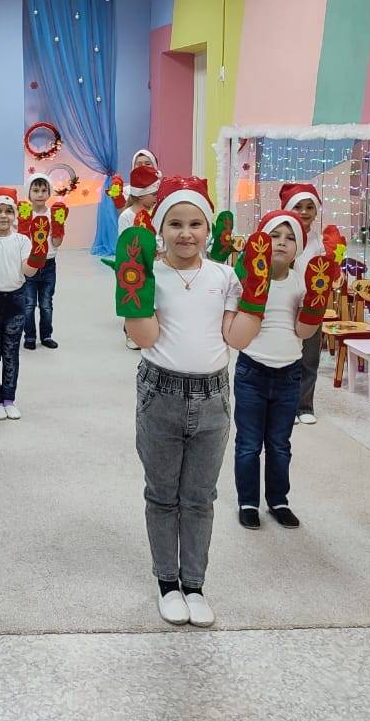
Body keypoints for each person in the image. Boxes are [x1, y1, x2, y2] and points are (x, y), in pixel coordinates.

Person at [118, 176, 267, 628]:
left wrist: (256, 296)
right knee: (162, 494)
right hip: (159, 393)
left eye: (195, 224)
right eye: (175, 224)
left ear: (208, 229)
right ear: (160, 229)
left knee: (200, 497)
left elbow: (236, 338)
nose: (186, 233)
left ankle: (195, 584)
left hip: (212, 398)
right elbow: (144, 336)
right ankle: (168, 582)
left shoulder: (223, 276)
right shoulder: (151, 274)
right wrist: (133, 290)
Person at [233, 210, 335, 531]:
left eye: (290, 238)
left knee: (279, 444)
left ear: (299, 248)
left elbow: (304, 332)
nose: (281, 243)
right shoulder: (247, 279)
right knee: (249, 443)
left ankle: (278, 500)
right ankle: (248, 502)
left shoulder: (300, 284)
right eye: (274, 235)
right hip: (252, 372)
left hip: (288, 375)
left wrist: (316, 302)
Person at [0, 188, 45, 421]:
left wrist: (38, 254)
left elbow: (28, 271)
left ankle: (9, 399)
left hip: (16, 300)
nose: (3, 215)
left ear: (14, 214)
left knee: (11, 352)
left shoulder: (22, 240)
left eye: (8, 211)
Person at [280, 182, 329, 424]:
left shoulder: (320, 241)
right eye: (298, 206)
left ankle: (304, 405)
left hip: (311, 307)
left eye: (310, 207)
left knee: (309, 357)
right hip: (284, 305)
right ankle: (283, 405)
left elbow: (326, 271)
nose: (304, 211)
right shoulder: (281, 237)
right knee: (284, 356)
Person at [119, 166, 161, 349]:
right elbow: (125, 241)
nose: (156, 198)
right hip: (134, 265)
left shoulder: (153, 215)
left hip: (153, 263)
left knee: (150, 298)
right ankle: (130, 332)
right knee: (133, 297)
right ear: (142, 195)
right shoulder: (127, 216)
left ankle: (149, 331)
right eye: (153, 194)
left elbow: (157, 236)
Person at [21, 173, 63, 350]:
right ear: (29, 193)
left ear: (49, 193)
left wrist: (59, 226)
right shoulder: (24, 214)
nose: (40, 194)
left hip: (48, 264)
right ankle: (30, 337)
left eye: (44, 190)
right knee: (28, 304)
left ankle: (46, 335)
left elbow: (57, 243)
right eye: (36, 190)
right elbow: (20, 241)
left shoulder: (53, 215)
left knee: (46, 304)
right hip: (29, 264)